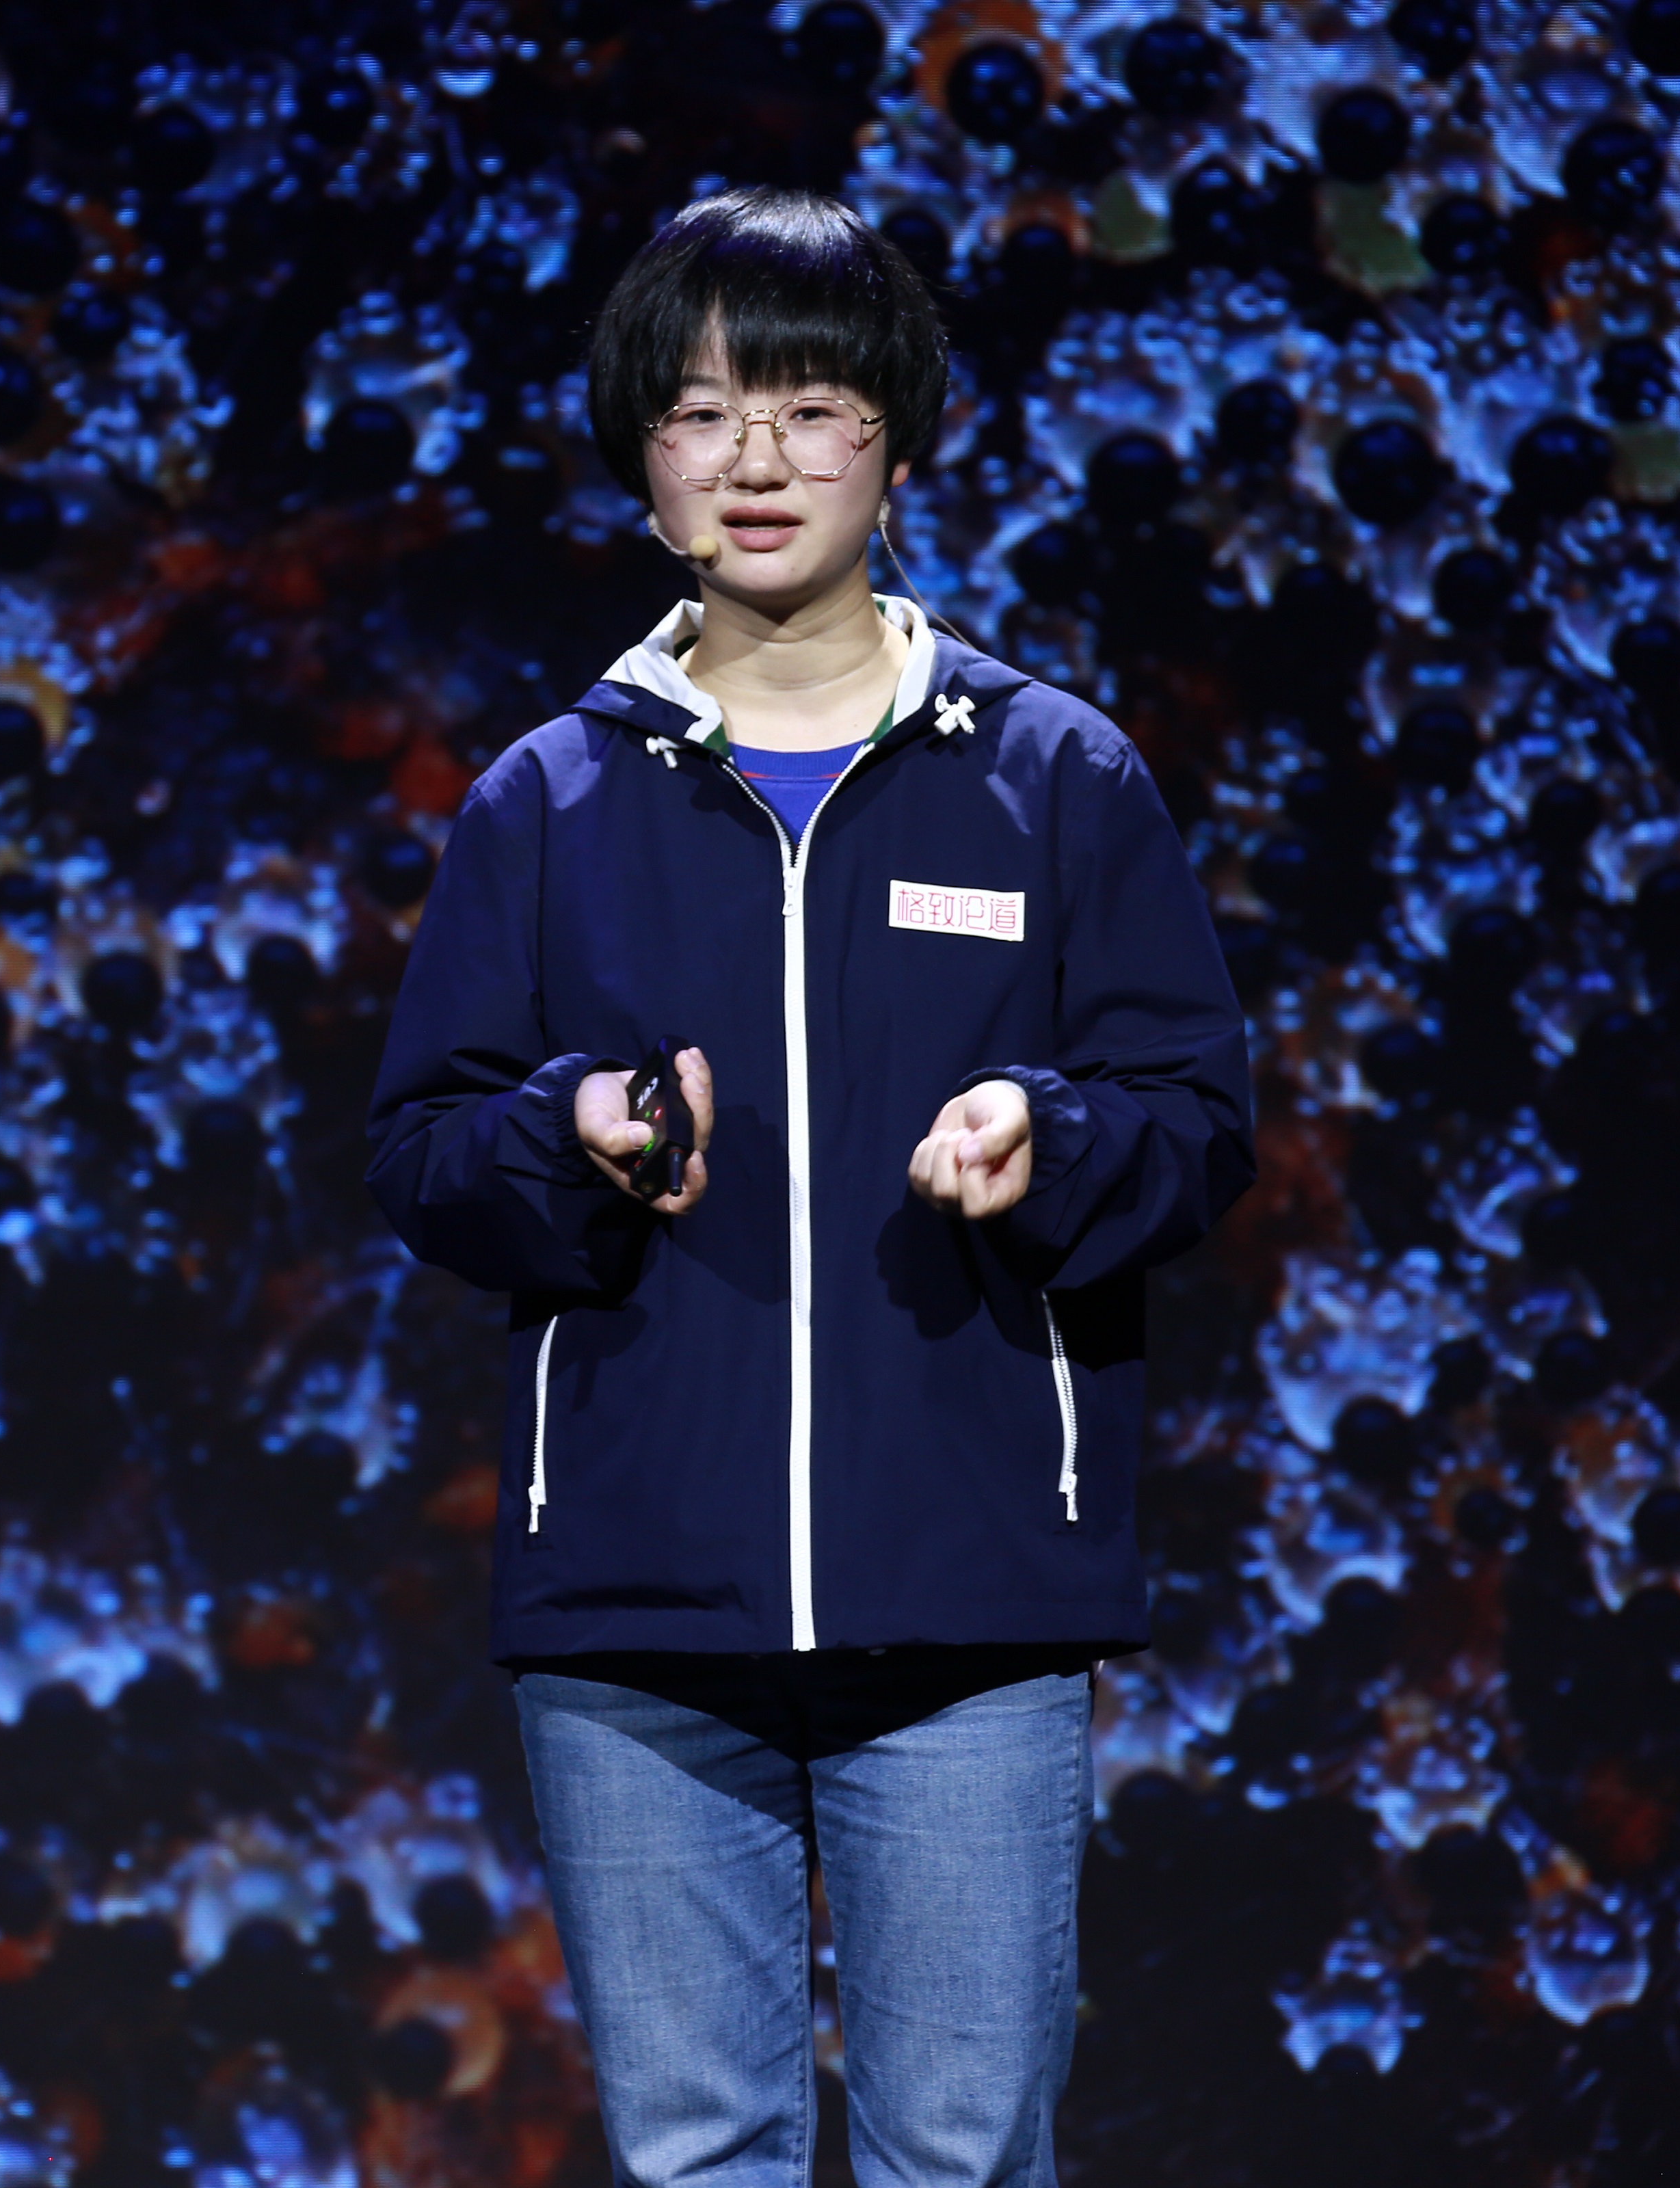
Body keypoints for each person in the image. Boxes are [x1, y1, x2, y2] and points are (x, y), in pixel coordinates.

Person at [363, 185, 1257, 2188]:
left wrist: (1047, 1141)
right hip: (633, 1613)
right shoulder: (545, 802)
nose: (754, 458)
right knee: (698, 2157)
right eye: (700, 412)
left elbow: (1196, 1123)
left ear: (897, 442)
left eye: (808, 407)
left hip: (968, 1606)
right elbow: (422, 1155)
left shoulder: (1054, 777)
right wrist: (571, 1137)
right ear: (641, 461)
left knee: (966, 2154)